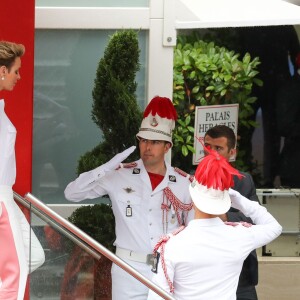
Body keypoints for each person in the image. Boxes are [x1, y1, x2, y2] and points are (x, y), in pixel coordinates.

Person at [64, 96, 194, 300]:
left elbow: (193, 232)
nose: (147, 147)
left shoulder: (183, 183)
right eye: (143, 140)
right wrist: (104, 168)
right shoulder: (119, 175)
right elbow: (72, 193)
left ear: (167, 146)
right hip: (128, 270)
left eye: (155, 142)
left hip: (167, 271)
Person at [147, 148, 282, 300]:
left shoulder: (171, 246)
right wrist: (240, 200)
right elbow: (274, 227)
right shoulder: (240, 236)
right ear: (225, 200)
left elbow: (156, 298)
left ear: (193, 195)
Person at [0, 40, 45, 300]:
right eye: (16, 70)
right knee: (13, 276)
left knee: (33, 255)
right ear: (3, 70)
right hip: (2, 198)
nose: (19, 76)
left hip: (7, 198)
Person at [237, 25, 300, 187]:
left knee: (246, 131)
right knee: (271, 135)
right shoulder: (283, 23)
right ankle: (267, 179)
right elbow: (296, 56)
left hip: (253, 83)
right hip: (276, 84)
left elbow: (238, 52)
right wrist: (293, 81)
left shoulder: (249, 24)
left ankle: (248, 174)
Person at [204, 125, 260, 300]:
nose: (211, 153)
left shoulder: (244, 181)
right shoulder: (190, 180)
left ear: (232, 152)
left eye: (218, 148)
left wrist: (223, 215)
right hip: (203, 272)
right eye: (207, 146)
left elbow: (253, 220)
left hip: (240, 275)